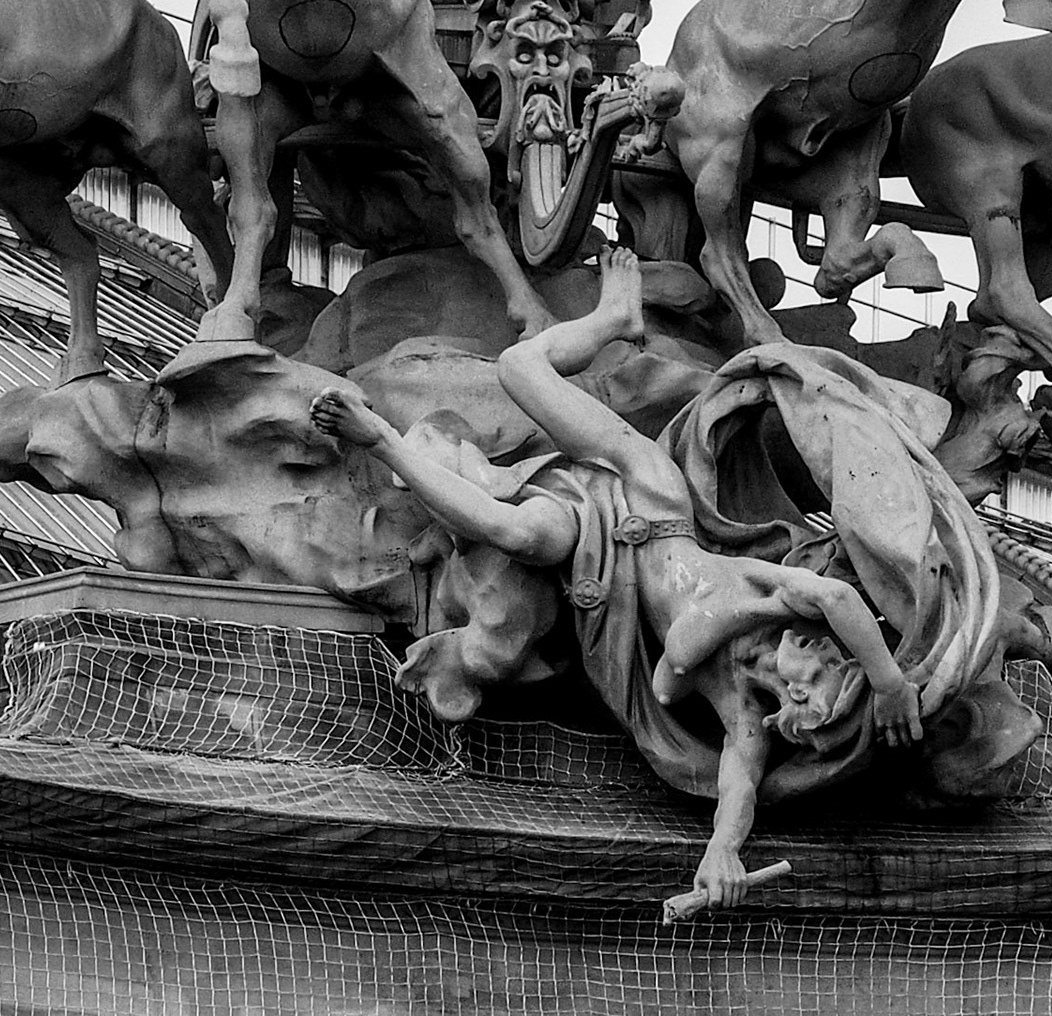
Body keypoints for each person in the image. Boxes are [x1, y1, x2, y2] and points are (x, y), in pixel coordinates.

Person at [310, 246, 918, 910]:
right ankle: (610, 319)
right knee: (519, 366)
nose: (815, 673)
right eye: (831, 674)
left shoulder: (738, 707)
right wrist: (888, 680)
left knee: (520, 534)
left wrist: (722, 855)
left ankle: (382, 441)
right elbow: (832, 596)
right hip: (651, 502)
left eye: (819, 696)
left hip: (601, 568)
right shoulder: (774, 599)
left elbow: (737, 784)